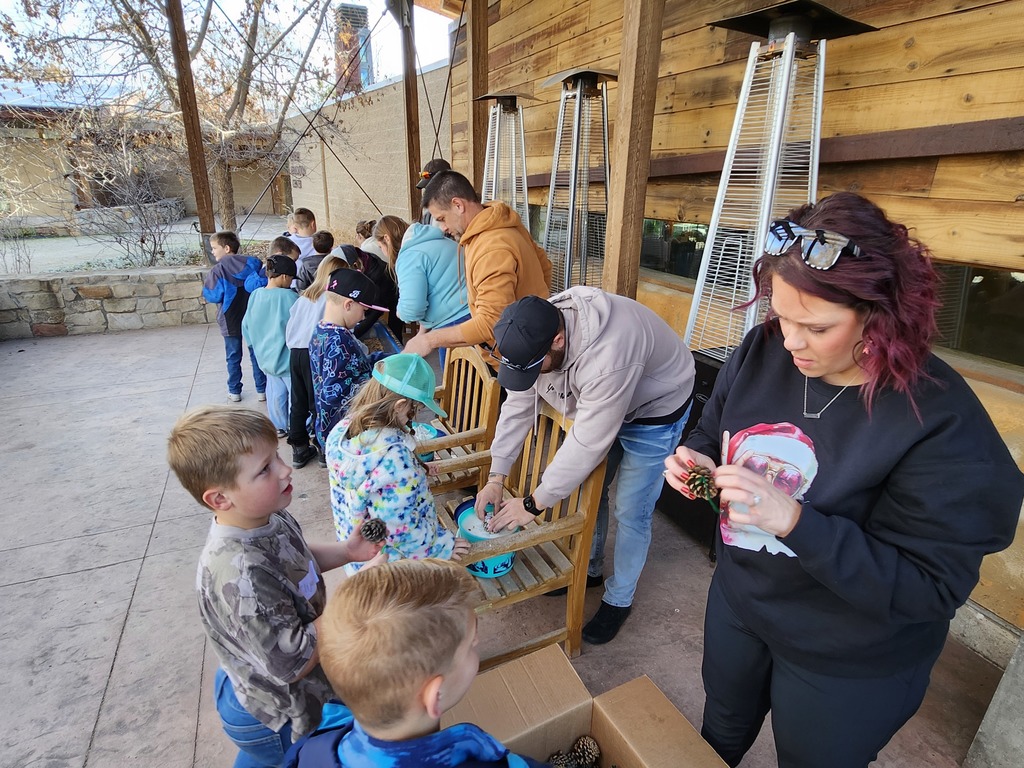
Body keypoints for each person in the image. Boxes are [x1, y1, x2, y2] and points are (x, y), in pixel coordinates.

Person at [662, 192, 1024, 768]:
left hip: (849, 655)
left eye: (817, 326)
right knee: (719, 731)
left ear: (882, 319)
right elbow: (713, 429)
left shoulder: (940, 422)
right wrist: (697, 459)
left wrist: (798, 522)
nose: (790, 341)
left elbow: (929, 587)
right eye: (780, 315)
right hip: (742, 601)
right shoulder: (761, 351)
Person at [166, 406, 386, 767]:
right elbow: (292, 661)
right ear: (220, 498)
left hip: (258, 680)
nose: (285, 469)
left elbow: (296, 557)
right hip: (276, 710)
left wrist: (348, 552)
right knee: (288, 759)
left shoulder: (265, 515)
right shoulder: (241, 572)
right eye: (265, 469)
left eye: (277, 456)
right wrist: (354, 596)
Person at [479, 288, 695, 645]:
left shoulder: (608, 356)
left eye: (537, 366)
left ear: (559, 340)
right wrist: (496, 476)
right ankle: (591, 569)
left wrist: (533, 504)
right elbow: (518, 404)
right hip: (604, 397)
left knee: (632, 507)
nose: (532, 374)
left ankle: (619, 598)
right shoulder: (534, 332)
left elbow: (588, 443)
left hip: (657, 406)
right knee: (589, 492)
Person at [281, 559, 548, 768]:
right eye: (471, 645)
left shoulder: (311, 747)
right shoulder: (494, 762)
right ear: (435, 695)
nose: (477, 642)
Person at [326, 354, 469, 571]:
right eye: (415, 409)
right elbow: (401, 529)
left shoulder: (341, 432)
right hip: (395, 570)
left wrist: (417, 470)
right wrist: (441, 546)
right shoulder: (397, 462)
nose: (414, 416)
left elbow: (373, 481)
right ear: (400, 406)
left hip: (359, 556)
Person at [405, 170, 552, 367]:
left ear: (458, 205)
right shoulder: (502, 223)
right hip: (532, 342)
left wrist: (429, 340)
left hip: (516, 358)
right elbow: (544, 265)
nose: (442, 228)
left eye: (441, 218)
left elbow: (491, 322)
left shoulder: (490, 248)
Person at [309, 269, 391, 455]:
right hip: (346, 433)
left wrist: (386, 359)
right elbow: (335, 395)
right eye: (364, 311)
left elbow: (353, 366)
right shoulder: (339, 339)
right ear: (348, 304)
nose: (363, 318)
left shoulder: (321, 330)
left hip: (327, 426)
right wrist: (379, 386)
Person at [373, 215, 469, 369]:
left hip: (455, 323)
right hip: (473, 313)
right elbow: (438, 289)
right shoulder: (436, 241)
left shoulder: (409, 256)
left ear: (387, 239)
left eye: (380, 247)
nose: (383, 252)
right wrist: (421, 333)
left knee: (459, 385)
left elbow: (413, 309)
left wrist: (399, 312)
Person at [285, 256, 349, 469]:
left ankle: (299, 448)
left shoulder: (304, 297)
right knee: (319, 402)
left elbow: (291, 325)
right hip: (317, 352)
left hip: (295, 352)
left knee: (299, 400)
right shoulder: (331, 299)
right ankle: (323, 449)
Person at [203, 230, 267, 403]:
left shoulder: (217, 270)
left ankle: (234, 390)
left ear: (226, 248)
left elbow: (212, 295)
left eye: (215, 248)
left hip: (229, 318)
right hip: (252, 315)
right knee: (256, 353)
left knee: (233, 355)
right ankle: (262, 389)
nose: (213, 251)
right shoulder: (252, 264)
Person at [242, 255, 300, 437]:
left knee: (275, 393)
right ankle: (295, 425)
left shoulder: (255, 295)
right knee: (295, 395)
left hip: (265, 357)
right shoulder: (291, 297)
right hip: (288, 359)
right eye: (291, 278)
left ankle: (278, 426)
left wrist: (255, 346)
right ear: (284, 277)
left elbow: (246, 326)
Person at [341, 243, 403, 341]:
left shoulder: (378, 273)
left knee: (394, 332)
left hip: (393, 297)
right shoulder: (363, 258)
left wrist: (355, 333)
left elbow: (376, 310)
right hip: (378, 296)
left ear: (355, 265)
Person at [415, 157, 451, 228]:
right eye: (427, 188)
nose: (429, 192)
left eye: (432, 188)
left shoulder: (456, 211)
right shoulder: (428, 213)